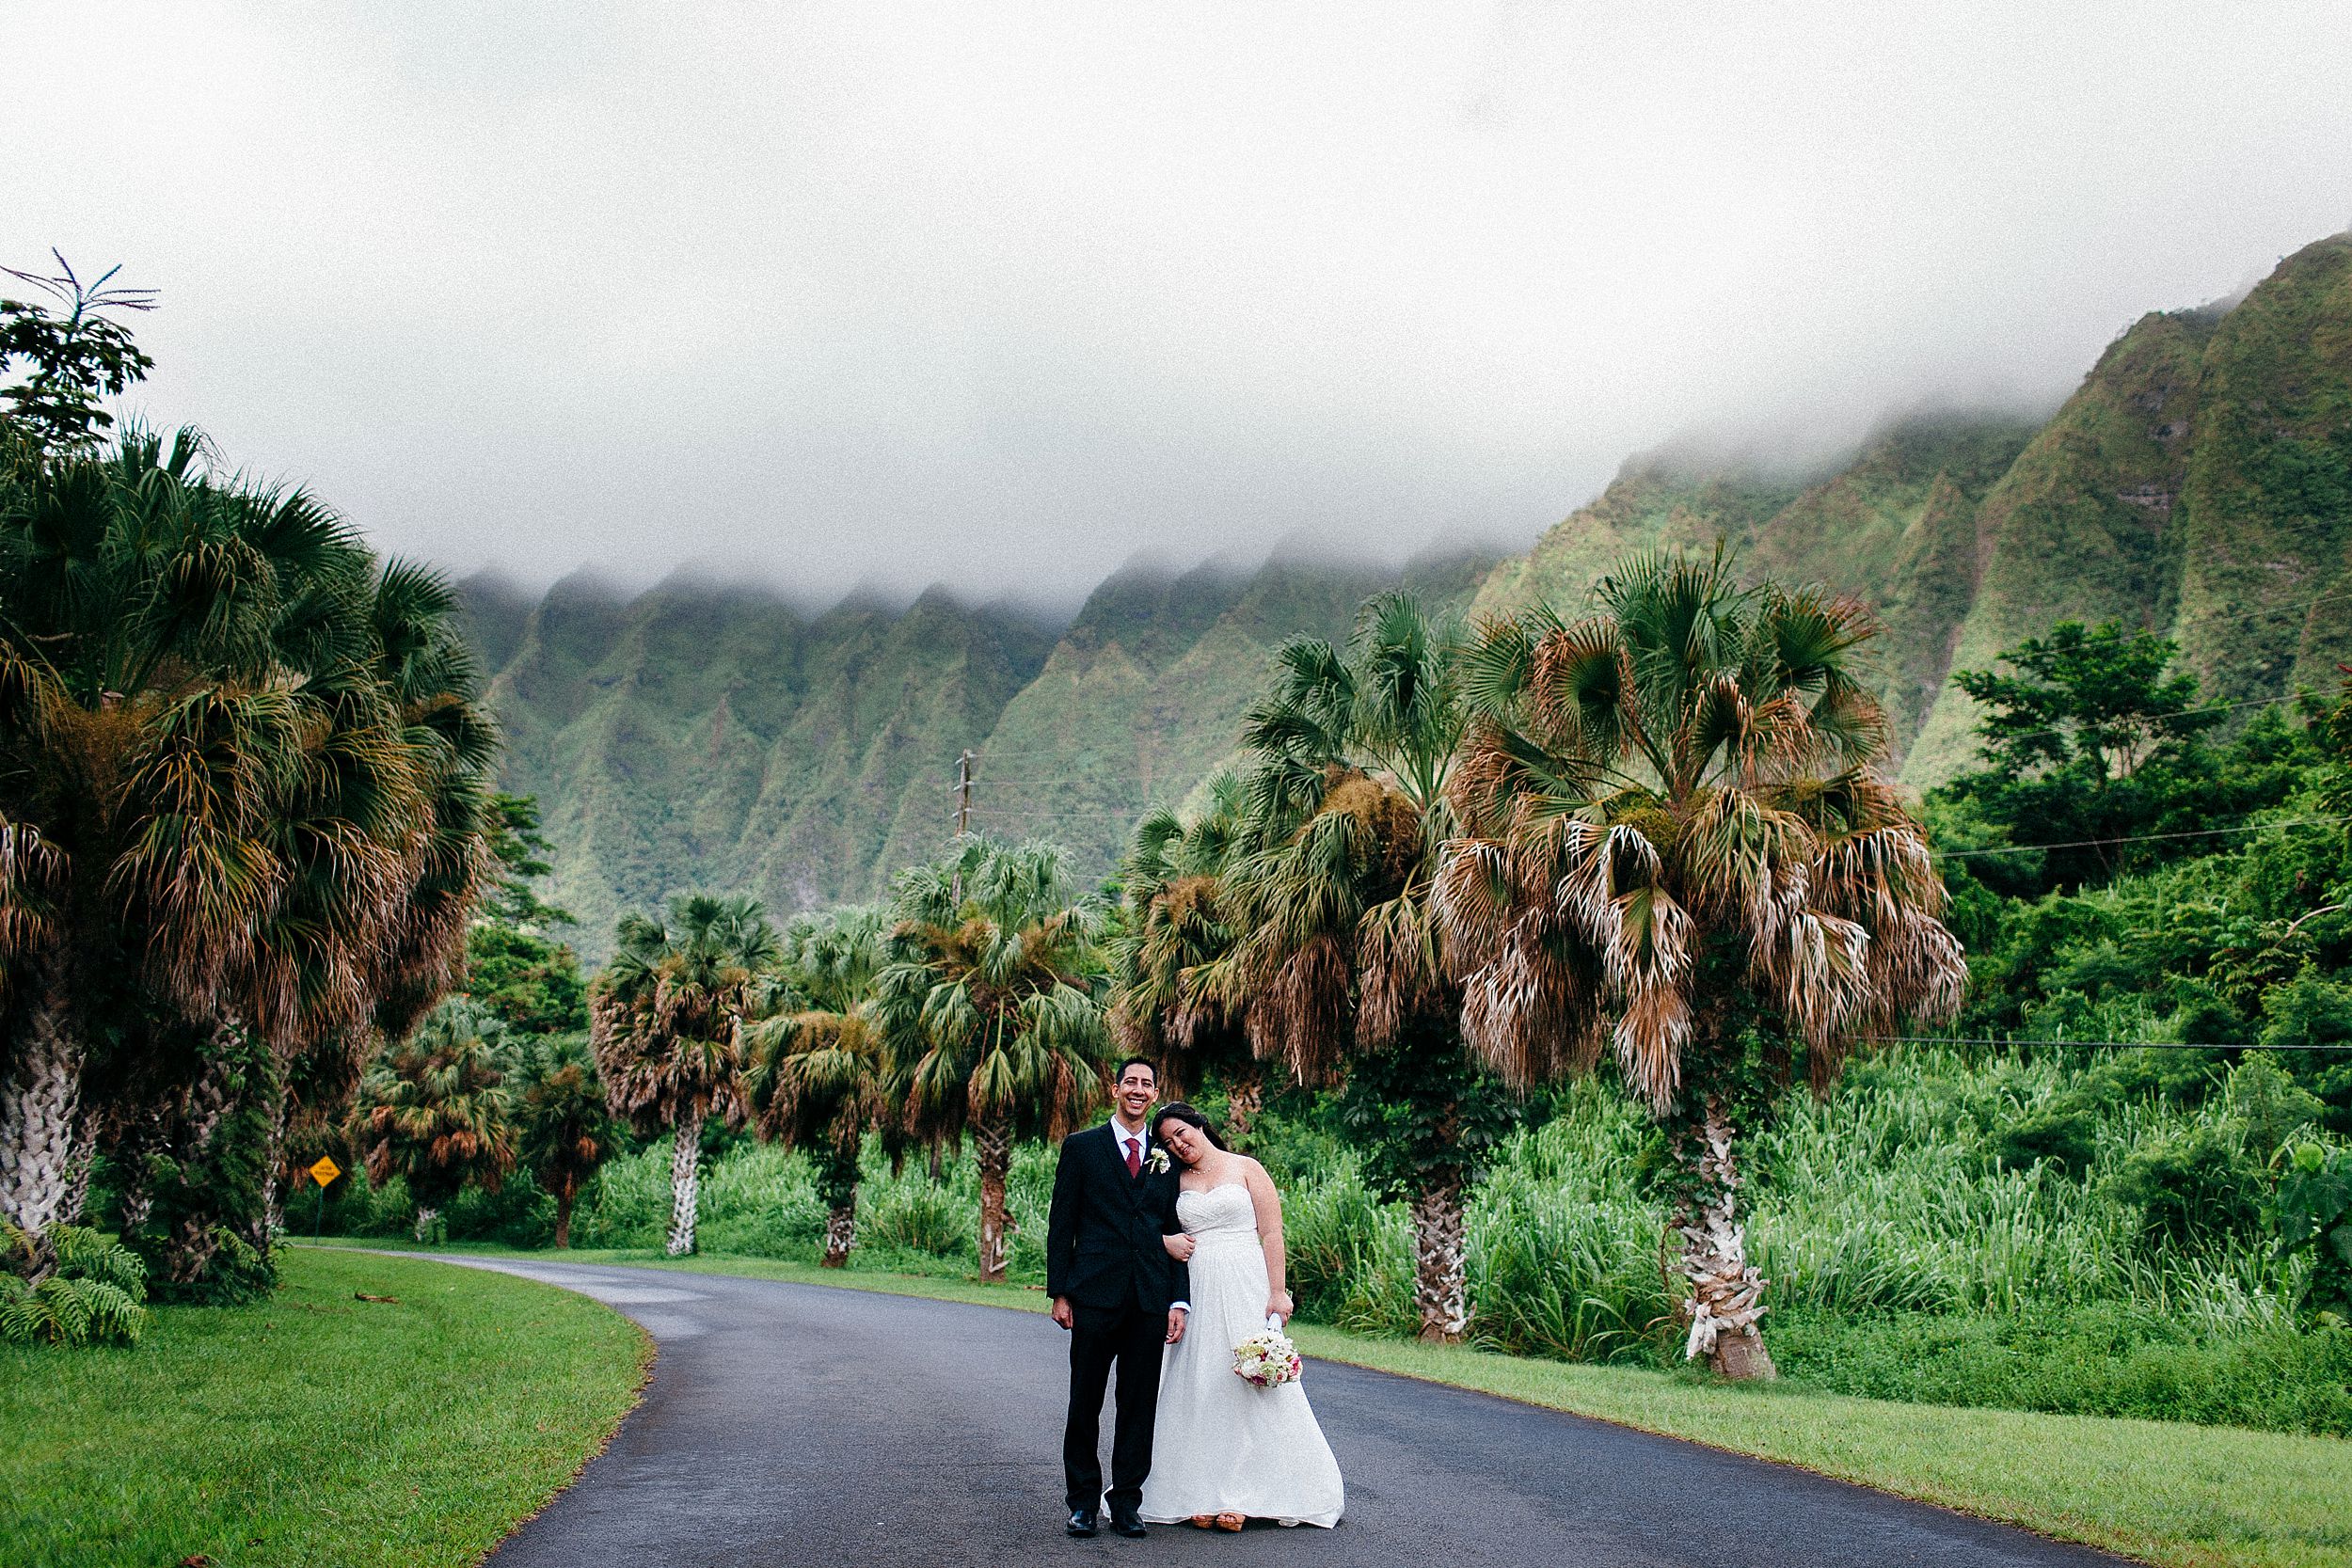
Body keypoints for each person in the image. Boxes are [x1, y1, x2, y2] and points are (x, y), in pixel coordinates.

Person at [1138, 1102, 1344, 1530]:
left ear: (1199, 1125)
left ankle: (1250, 1495)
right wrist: (1165, 1242)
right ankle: (1198, 1489)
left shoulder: (1246, 1167)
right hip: (1196, 1286)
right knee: (1199, 1382)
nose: (1179, 1144)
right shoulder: (1172, 1180)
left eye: (1182, 1132)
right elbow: (1142, 1225)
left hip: (1246, 1282)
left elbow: (1271, 1232)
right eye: (1169, 1141)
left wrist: (1276, 1292)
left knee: (1251, 1379)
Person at [1046, 1057, 1191, 1539]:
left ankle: (1127, 1500)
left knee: (1138, 1404)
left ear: (1154, 1095)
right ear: (1115, 1089)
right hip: (1093, 1295)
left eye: (1147, 1084)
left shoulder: (1166, 1154)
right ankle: (1082, 1502)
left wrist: (1178, 1300)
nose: (1138, 1089)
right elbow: (1061, 1225)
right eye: (1130, 1081)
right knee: (1084, 1401)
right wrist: (1060, 1291)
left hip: (1149, 1298)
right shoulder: (1082, 1148)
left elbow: (1175, 1230)